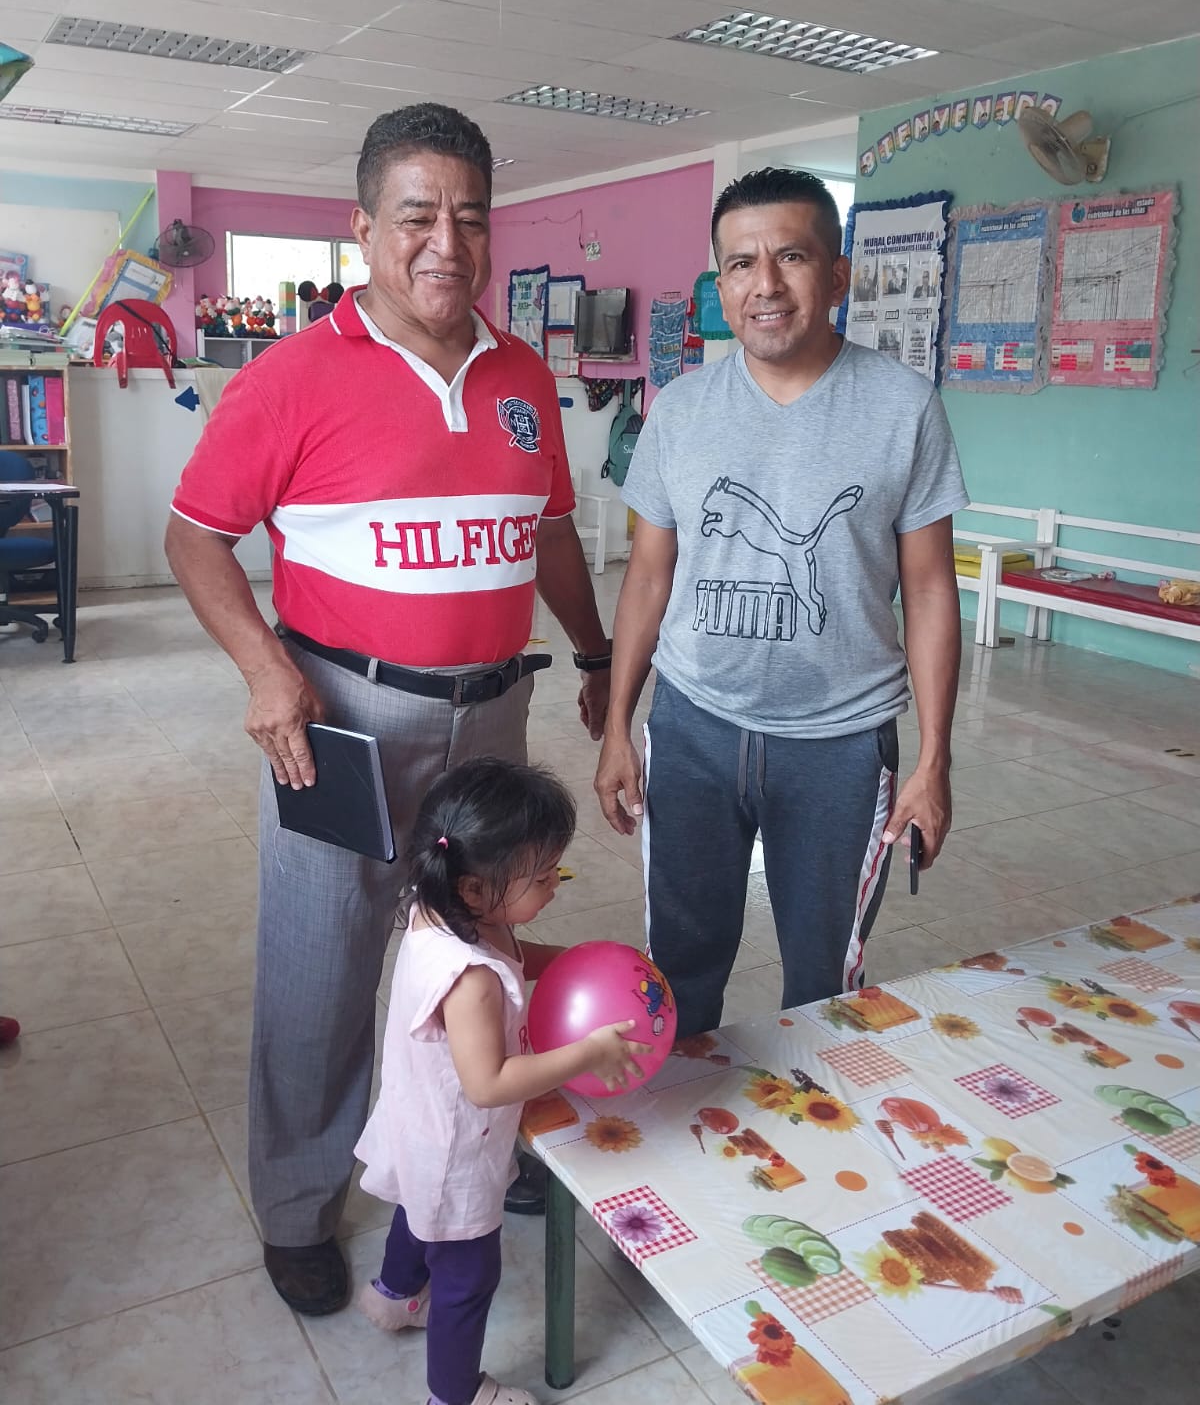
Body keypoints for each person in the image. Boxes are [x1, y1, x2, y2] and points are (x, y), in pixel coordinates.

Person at [164, 103, 613, 1316]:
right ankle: (300, 1205)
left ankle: (476, 1147)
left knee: (482, 951)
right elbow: (195, 538)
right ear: (363, 229)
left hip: (493, 714)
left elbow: (550, 531)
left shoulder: (524, 377)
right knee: (322, 969)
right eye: (416, 217)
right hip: (344, 722)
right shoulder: (290, 377)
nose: (446, 244)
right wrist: (267, 670)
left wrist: (593, 650)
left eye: (470, 217)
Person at [595, 168, 967, 1039]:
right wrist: (617, 725)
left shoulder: (903, 407)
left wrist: (935, 759)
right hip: (693, 728)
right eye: (740, 264)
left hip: (842, 743)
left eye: (791, 257)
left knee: (824, 984)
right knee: (679, 971)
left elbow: (928, 587)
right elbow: (647, 576)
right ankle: (687, 1123)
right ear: (720, 284)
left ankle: (819, 1117)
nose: (764, 284)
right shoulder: (681, 410)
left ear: (837, 276)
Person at [355, 757, 646, 1405]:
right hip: (458, 1148)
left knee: (416, 1208)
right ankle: (455, 1393)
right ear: (474, 889)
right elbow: (488, 1083)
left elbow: (513, 953)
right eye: (542, 878)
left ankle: (394, 1295)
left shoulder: (439, 911)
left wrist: (572, 961)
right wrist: (587, 1053)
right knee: (466, 1279)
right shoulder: (472, 980)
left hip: (417, 1120)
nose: (555, 887)